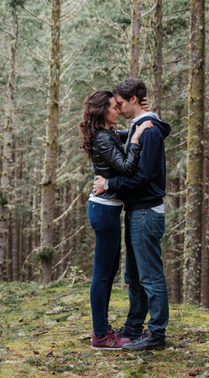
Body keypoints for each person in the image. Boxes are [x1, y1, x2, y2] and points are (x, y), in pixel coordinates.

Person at [93, 77, 171, 352]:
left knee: (149, 275)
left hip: (146, 211)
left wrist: (109, 184)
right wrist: (143, 118)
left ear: (134, 100)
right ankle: (133, 327)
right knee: (135, 276)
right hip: (137, 211)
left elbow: (139, 176)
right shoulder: (142, 126)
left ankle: (157, 333)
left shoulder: (147, 131)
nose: (118, 108)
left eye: (122, 103)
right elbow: (126, 135)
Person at [79, 89, 154, 350]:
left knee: (108, 273)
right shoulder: (102, 138)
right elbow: (126, 167)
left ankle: (102, 330)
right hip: (104, 210)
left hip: (107, 209)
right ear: (102, 112)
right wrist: (135, 140)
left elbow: (126, 134)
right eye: (113, 107)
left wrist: (143, 114)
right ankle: (100, 335)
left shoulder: (107, 134)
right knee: (102, 275)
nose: (118, 110)